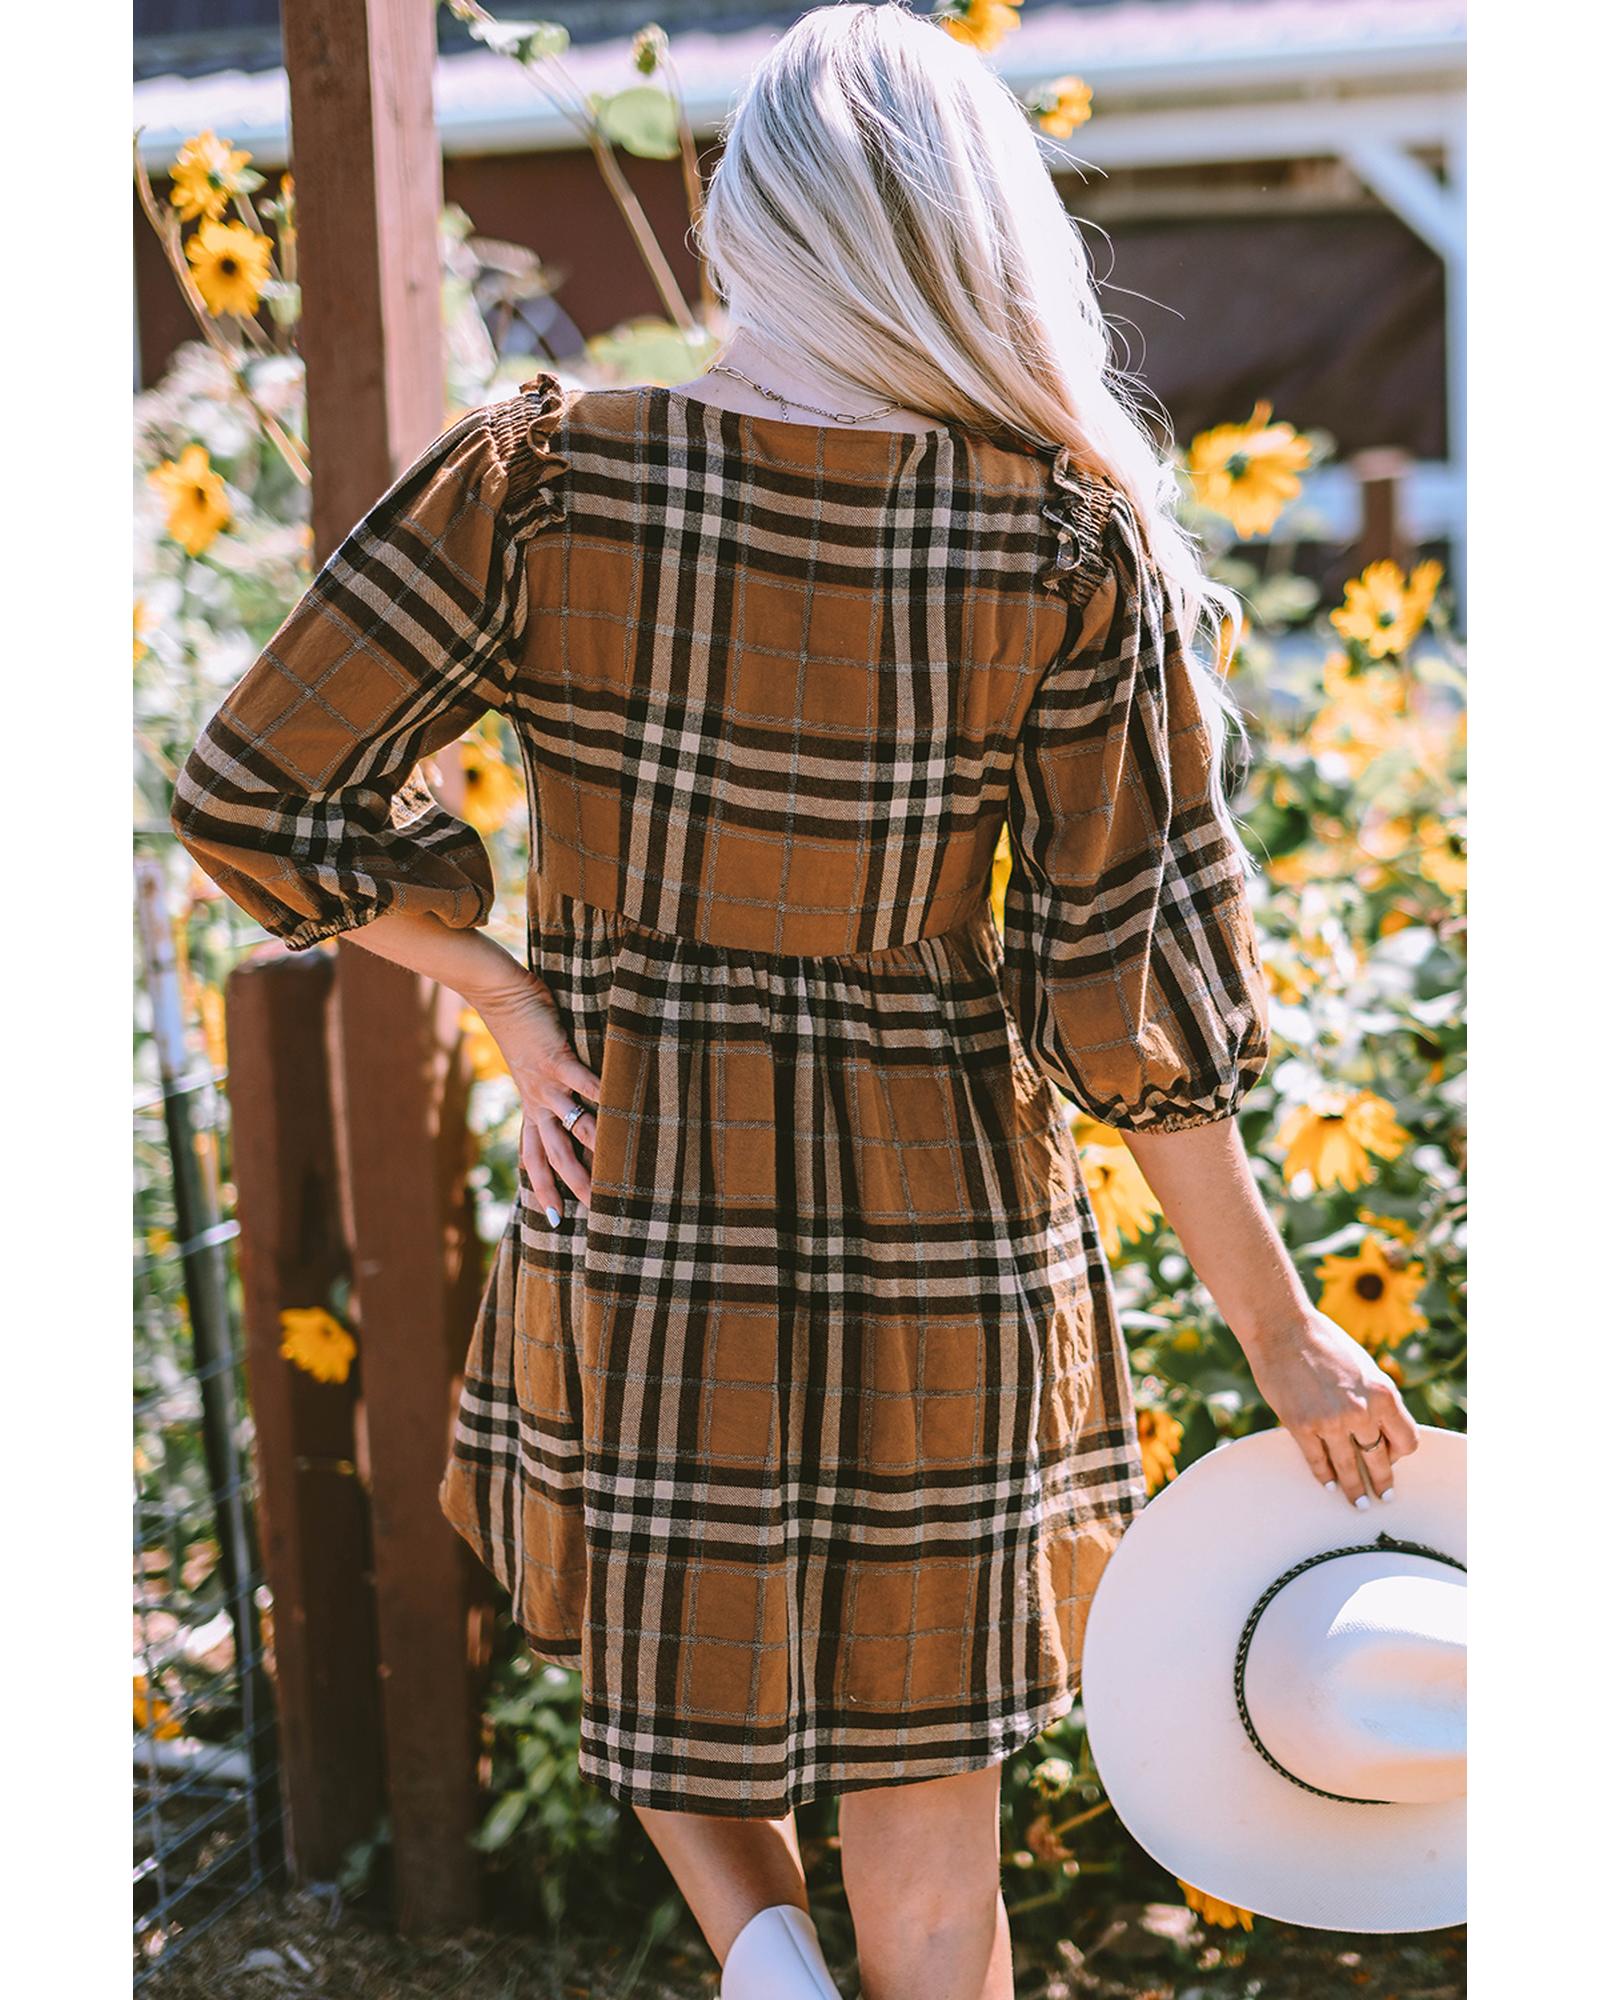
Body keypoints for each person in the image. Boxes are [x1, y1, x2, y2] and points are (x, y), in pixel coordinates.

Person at [169, 5, 1421, 1995]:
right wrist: (1284, 1340)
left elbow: (252, 788)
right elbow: (1131, 1004)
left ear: (750, 217)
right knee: (932, 1865)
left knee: (658, 1645)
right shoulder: (1059, 537)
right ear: (977, 233)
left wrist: (497, 988)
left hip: (648, 1188)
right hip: (945, 1236)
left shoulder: (546, 479)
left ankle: (761, 1951)